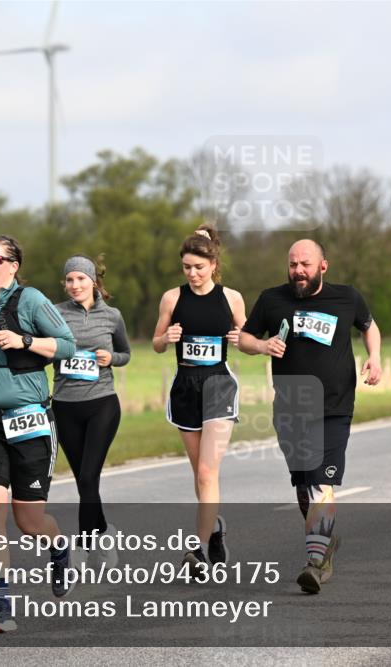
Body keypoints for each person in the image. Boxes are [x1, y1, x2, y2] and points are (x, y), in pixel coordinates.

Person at [0, 235, 77, 634]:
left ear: (13, 265)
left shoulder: (33, 300)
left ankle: (58, 548)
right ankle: (1, 606)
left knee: (29, 520)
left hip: (30, 420)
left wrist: (25, 340)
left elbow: (68, 346)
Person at [238, 239, 381, 594]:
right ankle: (325, 542)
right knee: (304, 487)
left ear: (323, 266)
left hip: (334, 406)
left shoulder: (346, 297)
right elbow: (243, 338)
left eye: (305, 264)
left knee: (321, 482)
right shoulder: (272, 300)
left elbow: (369, 325)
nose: (298, 271)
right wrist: (262, 345)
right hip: (289, 408)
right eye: (292, 265)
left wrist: (374, 357)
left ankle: (315, 563)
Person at [151, 224, 246, 574]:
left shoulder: (231, 298)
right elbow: (156, 342)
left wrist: (241, 340)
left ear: (214, 265)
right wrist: (167, 338)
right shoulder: (171, 298)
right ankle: (216, 526)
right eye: (187, 267)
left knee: (208, 471)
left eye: (199, 267)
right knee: (200, 476)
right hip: (185, 387)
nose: (192, 274)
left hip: (219, 384)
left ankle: (200, 549)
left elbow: (248, 339)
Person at [52, 254, 131, 567]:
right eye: (69, 280)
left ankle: (84, 546)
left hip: (102, 404)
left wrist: (111, 359)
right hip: (64, 405)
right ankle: (104, 531)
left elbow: (126, 353)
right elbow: (45, 350)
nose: (75, 285)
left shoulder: (112, 316)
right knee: (84, 481)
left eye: (81, 279)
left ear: (93, 282)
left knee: (87, 477)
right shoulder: (54, 314)